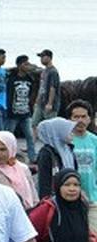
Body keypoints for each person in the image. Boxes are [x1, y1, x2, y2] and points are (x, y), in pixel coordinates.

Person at [62, 100, 97, 230]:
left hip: (93, 199)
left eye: (83, 116)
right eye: (76, 117)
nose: (80, 120)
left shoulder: (95, 140)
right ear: (69, 119)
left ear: (89, 119)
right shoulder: (64, 141)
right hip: (70, 199)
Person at [5, 55, 37, 161]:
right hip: (13, 113)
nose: (27, 66)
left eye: (28, 64)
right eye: (25, 64)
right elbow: (8, 95)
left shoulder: (30, 79)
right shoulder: (12, 79)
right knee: (9, 136)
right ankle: (8, 156)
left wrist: (31, 107)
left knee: (30, 136)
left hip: (26, 112)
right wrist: (8, 110)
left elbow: (32, 93)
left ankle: (32, 157)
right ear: (19, 65)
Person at [35, 117, 75, 201]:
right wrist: (46, 201)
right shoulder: (46, 154)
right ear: (58, 132)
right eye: (69, 131)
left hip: (69, 194)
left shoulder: (68, 149)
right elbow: (44, 181)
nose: (72, 134)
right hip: (54, 198)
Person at [35, 49, 60, 124]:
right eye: (40, 57)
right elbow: (41, 87)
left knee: (50, 125)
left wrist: (50, 103)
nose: (41, 59)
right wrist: (37, 100)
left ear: (49, 58)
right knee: (34, 123)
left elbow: (53, 88)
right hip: (41, 103)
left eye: (43, 57)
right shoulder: (44, 71)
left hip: (49, 104)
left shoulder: (53, 72)